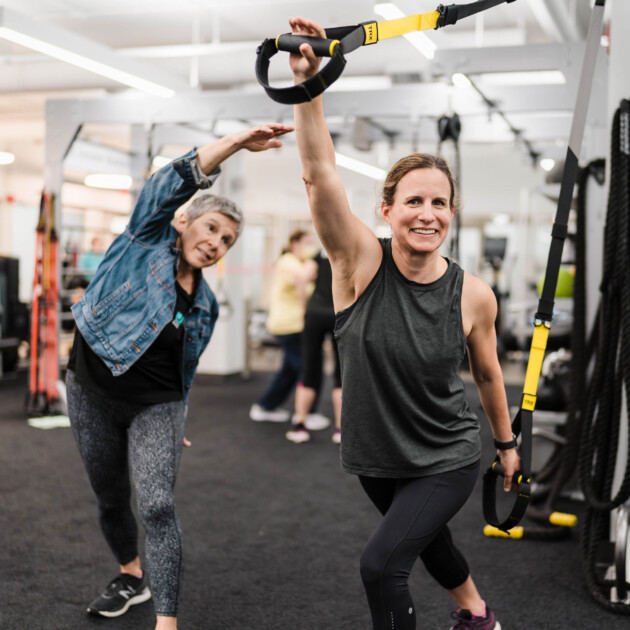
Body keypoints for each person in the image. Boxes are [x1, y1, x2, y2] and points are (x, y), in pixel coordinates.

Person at [287, 17, 520, 630]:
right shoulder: (359, 265)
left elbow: (491, 376)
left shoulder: (473, 294)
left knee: (382, 564)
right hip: (376, 454)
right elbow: (318, 176)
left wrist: (506, 445)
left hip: (448, 453)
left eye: (439, 202)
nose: (427, 213)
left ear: (451, 214)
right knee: (428, 541)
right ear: (386, 209)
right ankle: (478, 614)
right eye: (413, 200)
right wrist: (310, 87)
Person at [65, 122, 293, 630]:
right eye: (211, 228)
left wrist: (178, 418)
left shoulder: (206, 306)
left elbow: (183, 372)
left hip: (156, 406)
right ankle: (130, 576)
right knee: (109, 495)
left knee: (159, 506)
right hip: (90, 392)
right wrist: (234, 143)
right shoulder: (143, 242)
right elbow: (169, 181)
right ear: (185, 220)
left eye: (227, 240)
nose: (216, 243)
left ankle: (166, 623)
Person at [249, 229, 316, 422]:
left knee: (290, 369)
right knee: (305, 368)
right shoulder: (288, 262)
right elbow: (300, 280)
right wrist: (313, 267)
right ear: (294, 243)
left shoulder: (297, 262)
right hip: (289, 324)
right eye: (306, 243)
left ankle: (266, 406)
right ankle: (304, 415)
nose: (309, 248)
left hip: (294, 324)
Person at [286, 248, 342, 444]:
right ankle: (340, 431)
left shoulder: (318, 255)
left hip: (315, 314)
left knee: (309, 369)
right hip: (339, 314)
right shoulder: (345, 251)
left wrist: (304, 306)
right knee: (341, 374)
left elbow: (300, 278)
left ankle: (300, 427)